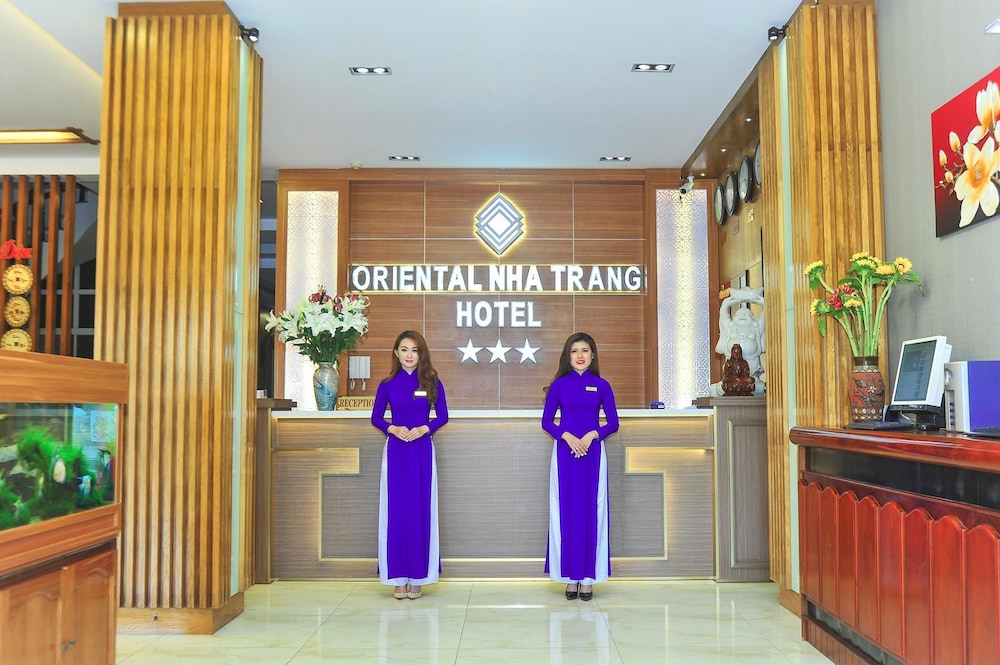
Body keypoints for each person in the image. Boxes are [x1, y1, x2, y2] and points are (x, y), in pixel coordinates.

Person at [541, 332, 620, 601]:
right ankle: (569, 577)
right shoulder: (559, 386)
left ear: (593, 355)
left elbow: (613, 423)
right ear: (568, 356)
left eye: (585, 350)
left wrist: (591, 435)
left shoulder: (602, 385)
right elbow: (547, 422)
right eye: (574, 351)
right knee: (566, 511)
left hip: (593, 454)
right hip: (564, 454)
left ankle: (588, 579)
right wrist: (567, 436)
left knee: (592, 512)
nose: (580, 356)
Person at [371, 330, 449, 600]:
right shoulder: (387, 384)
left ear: (421, 354)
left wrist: (424, 429)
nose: (409, 355)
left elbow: (443, 416)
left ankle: (419, 578)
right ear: (396, 352)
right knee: (396, 512)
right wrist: (392, 428)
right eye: (404, 349)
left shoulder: (432, 382)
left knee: (420, 510)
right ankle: (397, 579)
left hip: (421, 451)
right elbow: (376, 418)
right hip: (396, 452)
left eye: (414, 350)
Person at [709, 287, 766, 396]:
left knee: (756, 386)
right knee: (722, 387)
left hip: (751, 376)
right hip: (731, 379)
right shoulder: (730, 329)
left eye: (746, 314)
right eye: (739, 314)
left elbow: (764, 317)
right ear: (734, 317)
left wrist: (763, 304)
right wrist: (725, 305)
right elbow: (724, 317)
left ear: (753, 319)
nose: (743, 316)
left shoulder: (756, 329)